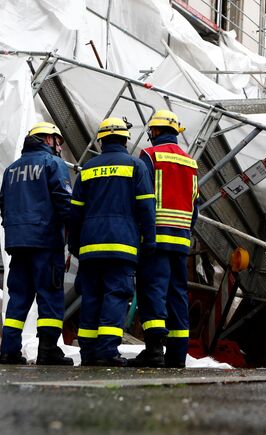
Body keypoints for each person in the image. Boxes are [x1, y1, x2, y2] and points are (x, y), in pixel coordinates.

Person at [69, 117, 156, 367]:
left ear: (102, 139)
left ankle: (87, 352)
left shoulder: (87, 169)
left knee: (91, 297)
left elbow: (75, 212)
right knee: (116, 296)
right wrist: (148, 242)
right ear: (125, 139)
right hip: (122, 247)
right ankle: (107, 351)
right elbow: (146, 209)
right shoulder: (135, 167)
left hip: (90, 247)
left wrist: (74, 244)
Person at [0, 122, 73, 365]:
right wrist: (73, 232)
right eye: (57, 141)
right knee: (50, 295)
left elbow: (3, 203)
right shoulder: (53, 164)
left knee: (18, 297)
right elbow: (64, 202)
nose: (59, 146)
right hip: (45, 241)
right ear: (48, 139)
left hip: (18, 243)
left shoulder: (11, 170)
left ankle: (9, 350)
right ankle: (48, 350)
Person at [128, 110, 198, 368]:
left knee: (152, 291)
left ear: (155, 131)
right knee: (178, 295)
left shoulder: (149, 155)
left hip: (154, 238)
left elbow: (142, 197)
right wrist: (186, 232)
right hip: (181, 240)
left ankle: (154, 352)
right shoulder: (190, 162)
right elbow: (195, 205)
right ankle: (177, 356)